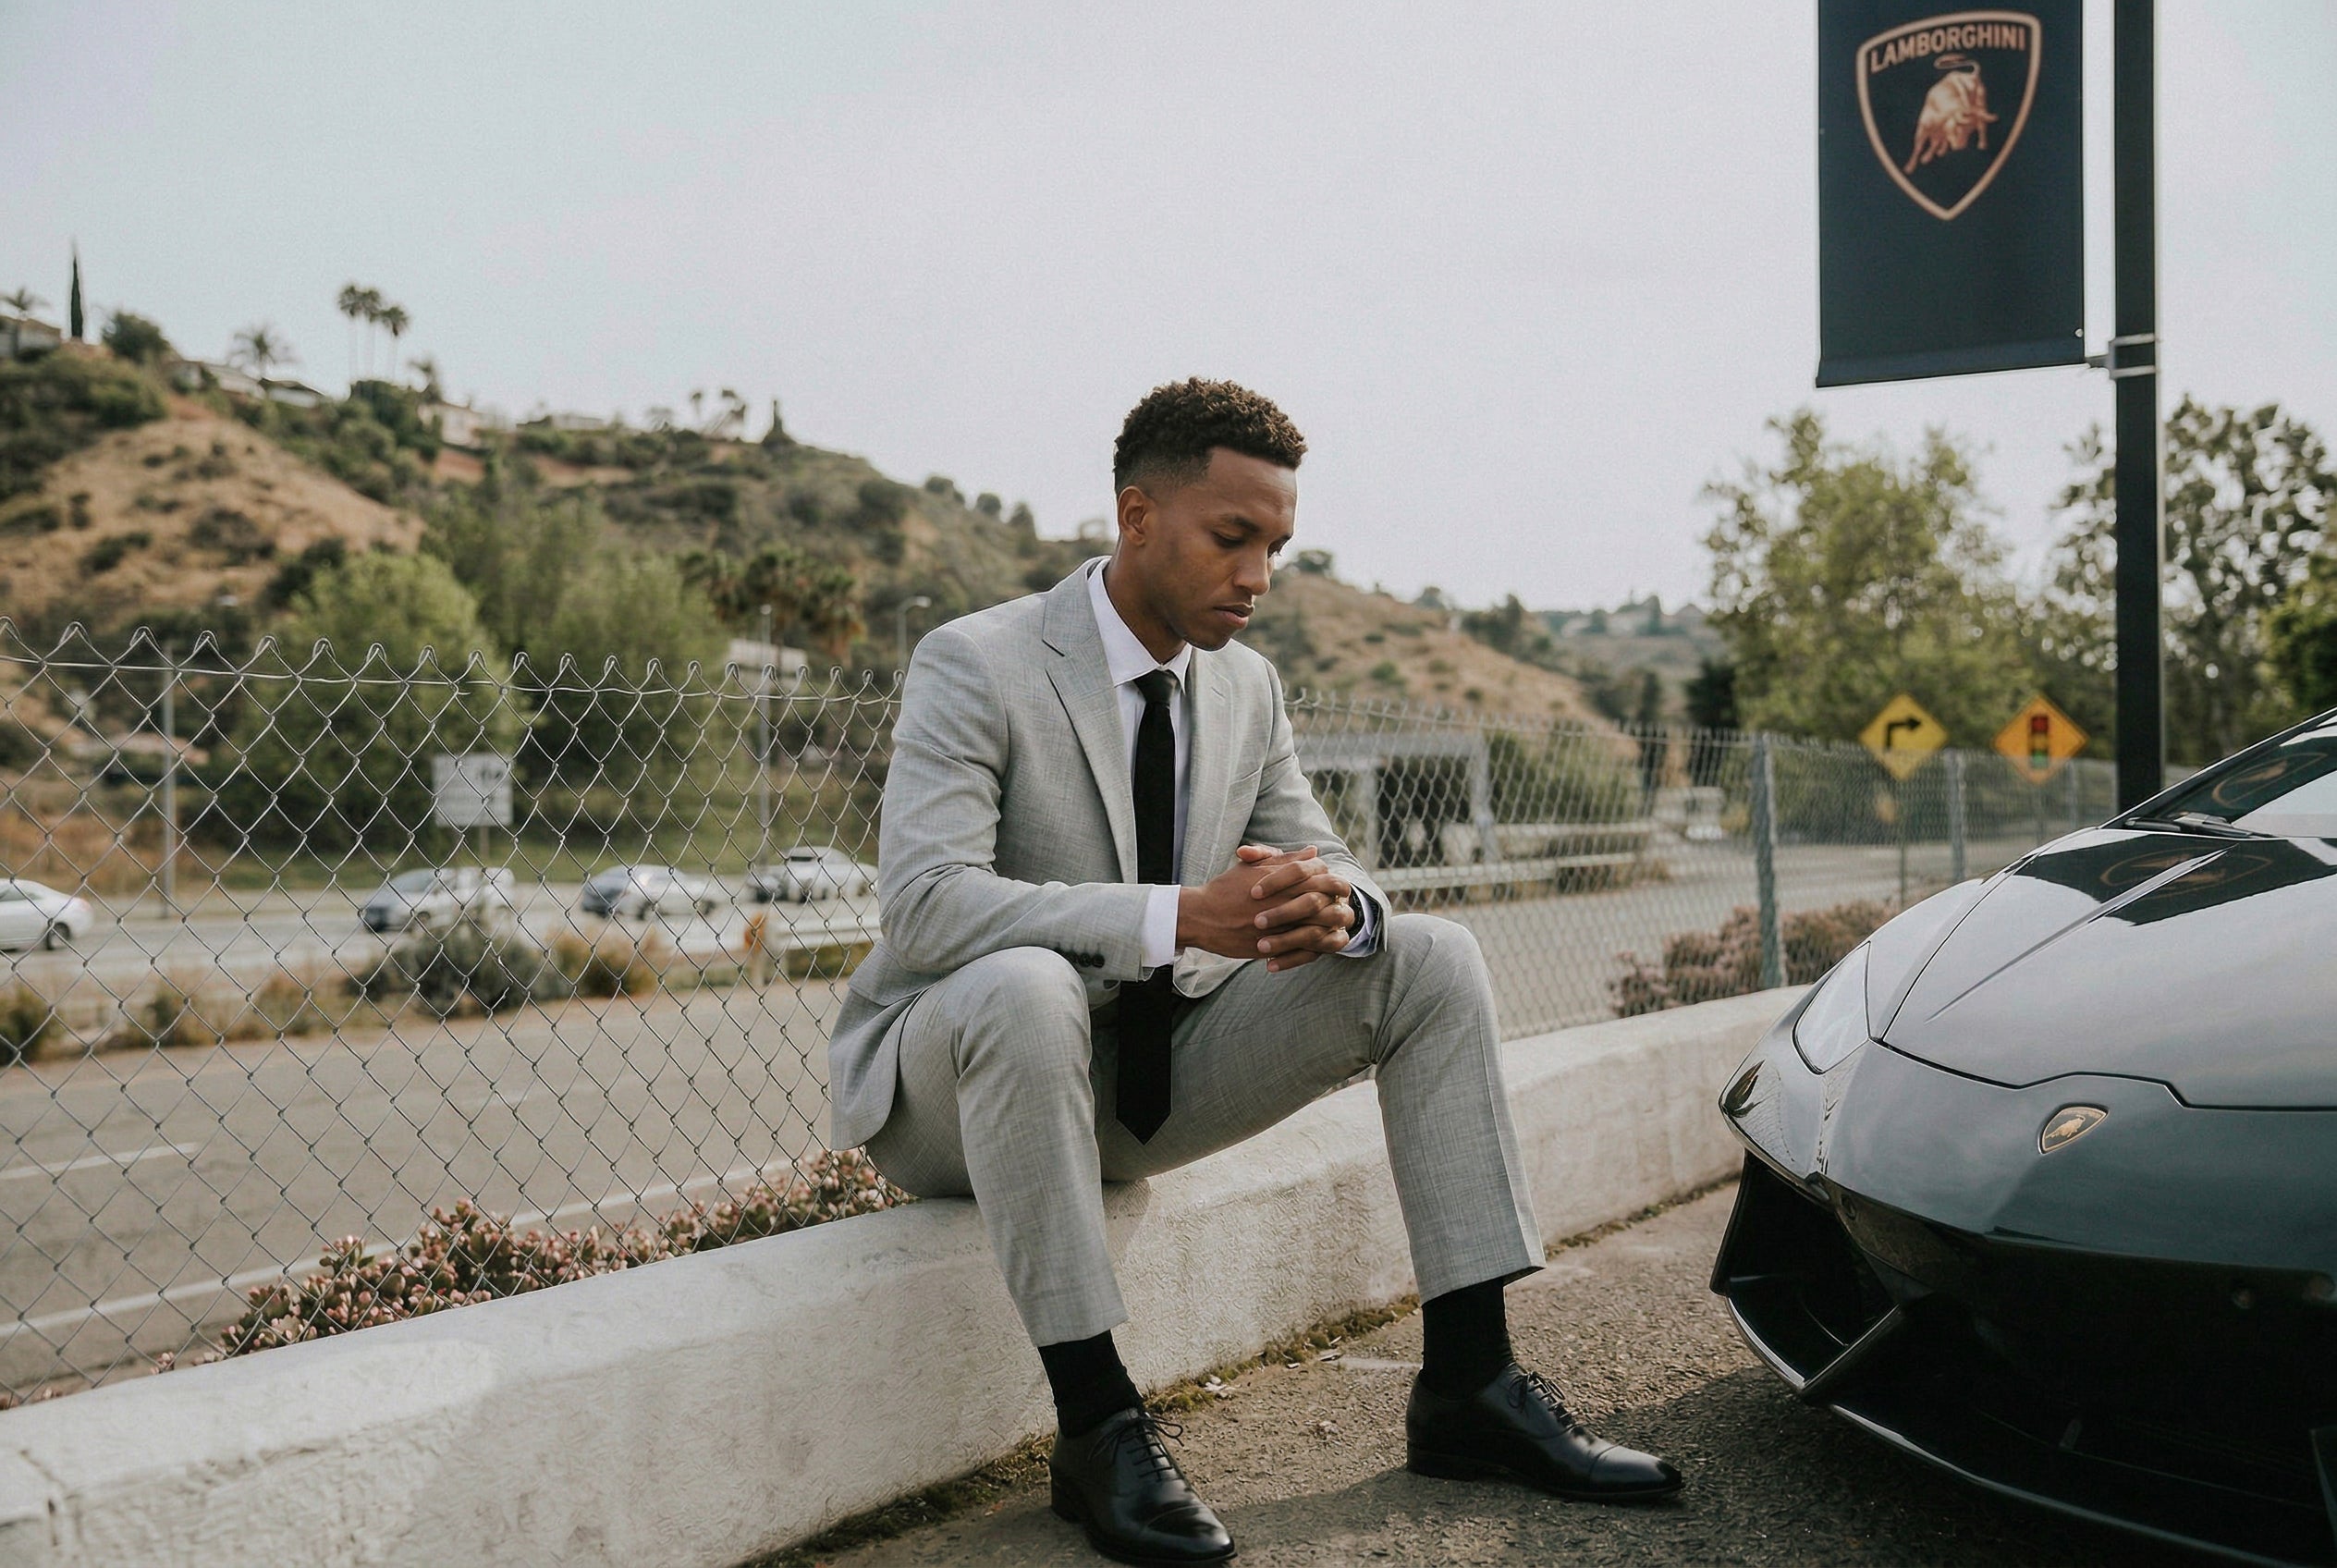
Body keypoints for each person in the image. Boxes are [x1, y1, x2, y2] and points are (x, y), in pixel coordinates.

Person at [830, 378, 1681, 1565]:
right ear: (1136, 517)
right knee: (1024, 987)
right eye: (1231, 538)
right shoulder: (976, 662)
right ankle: (1097, 1424)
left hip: (1145, 1074)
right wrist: (1181, 916)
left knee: (1427, 955)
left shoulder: (1246, 684)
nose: (1257, 576)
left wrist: (1335, 901)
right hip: (954, 1094)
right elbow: (924, 907)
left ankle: (1470, 1387)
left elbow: (1320, 847)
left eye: (1275, 546)